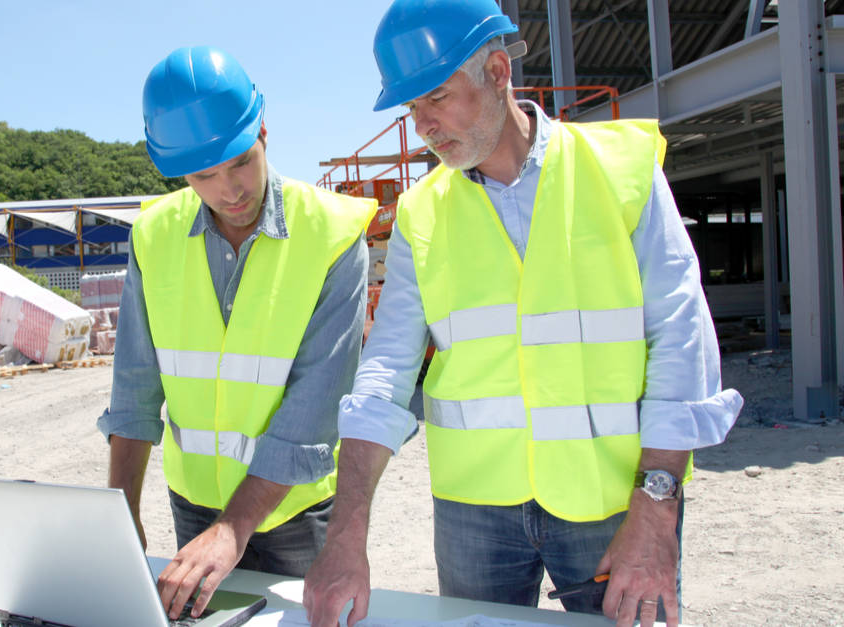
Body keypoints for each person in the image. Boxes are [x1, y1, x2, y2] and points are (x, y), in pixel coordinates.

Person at [302, 2, 744, 627]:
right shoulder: (421, 213)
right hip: (473, 511)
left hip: (612, 500)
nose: (423, 125)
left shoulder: (621, 171)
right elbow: (385, 374)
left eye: (436, 97)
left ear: (499, 69)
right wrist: (345, 537)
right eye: (411, 109)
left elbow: (681, 338)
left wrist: (657, 508)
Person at [97, 46, 376, 621]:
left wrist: (233, 527)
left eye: (242, 162)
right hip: (194, 505)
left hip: (295, 514)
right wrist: (120, 514)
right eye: (205, 174)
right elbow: (135, 391)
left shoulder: (333, 234)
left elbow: (314, 409)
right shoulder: (152, 236)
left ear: (265, 133)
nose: (231, 190)